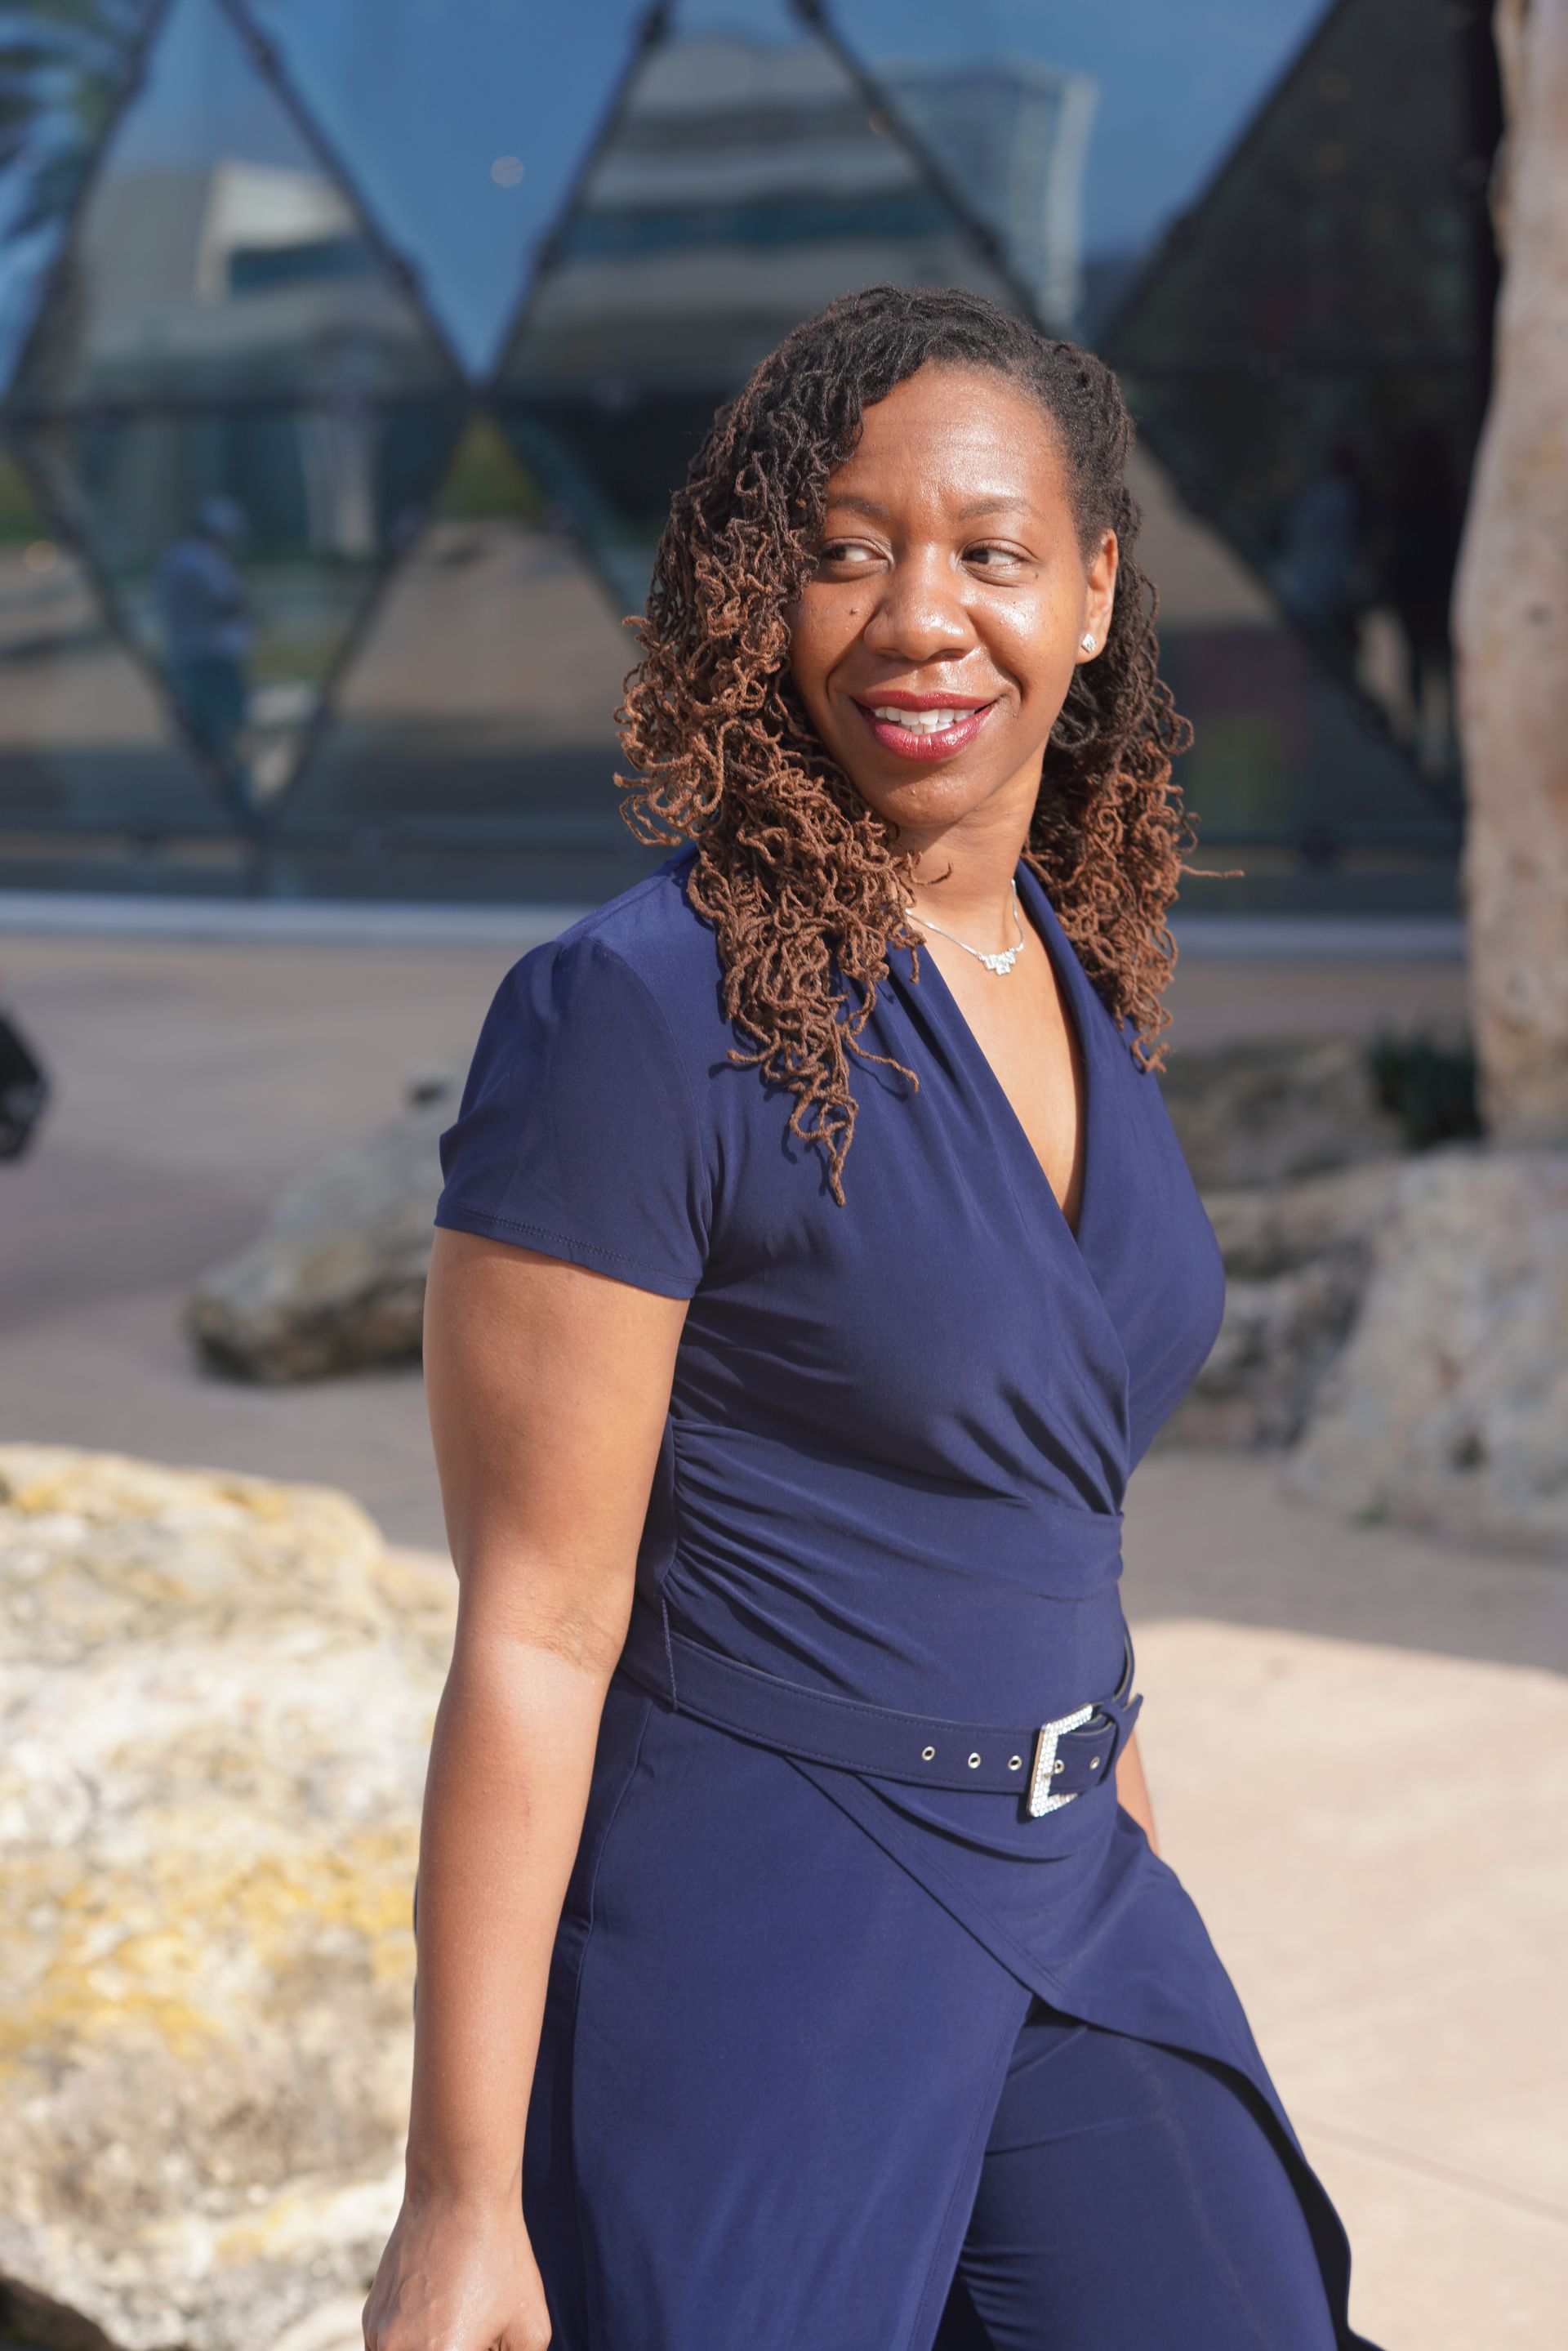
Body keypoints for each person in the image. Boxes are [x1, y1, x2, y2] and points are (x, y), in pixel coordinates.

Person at [364, 286, 1376, 2350]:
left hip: (1077, 1897)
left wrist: (1125, 1826)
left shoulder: (1061, 968)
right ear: (762, 592)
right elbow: (540, 1632)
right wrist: (460, 2195)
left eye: (993, 553)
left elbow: (1040, 1497)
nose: (924, 615)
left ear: (1091, 598)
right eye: (846, 548)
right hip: (771, 1921)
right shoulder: (632, 1019)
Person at [154, 494, 256, 824]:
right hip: (212, 660)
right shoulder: (201, 561)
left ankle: (227, 794)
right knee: (229, 731)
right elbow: (227, 604)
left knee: (210, 733)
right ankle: (238, 801)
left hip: (191, 656)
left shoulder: (179, 557)